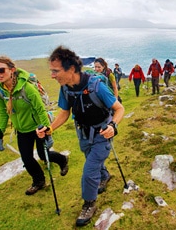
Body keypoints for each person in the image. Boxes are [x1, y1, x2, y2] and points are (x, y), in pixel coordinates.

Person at [37, 46, 124, 227]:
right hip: (83, 134)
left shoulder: (97, 86)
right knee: (93, 162)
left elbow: (119, 108)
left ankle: (89, 204)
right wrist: (50, 129)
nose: (52, 75)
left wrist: (113, 126)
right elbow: (64, 113)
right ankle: (105, 176)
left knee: (89, 171)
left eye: (56, 71)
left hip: (102, 133)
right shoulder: (66, 89)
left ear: (71, 69)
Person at [0, 56, 69, 196]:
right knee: (26, 159)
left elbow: (41, 110)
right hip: (21, 130)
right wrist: (0, 134)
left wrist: (47, 131)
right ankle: (39, 181)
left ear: (12, 70)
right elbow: (3, 114)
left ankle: (62, 159)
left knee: (43, 155)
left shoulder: (27, 88)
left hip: (38, 127)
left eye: (1, 70)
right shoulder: (0, 92)